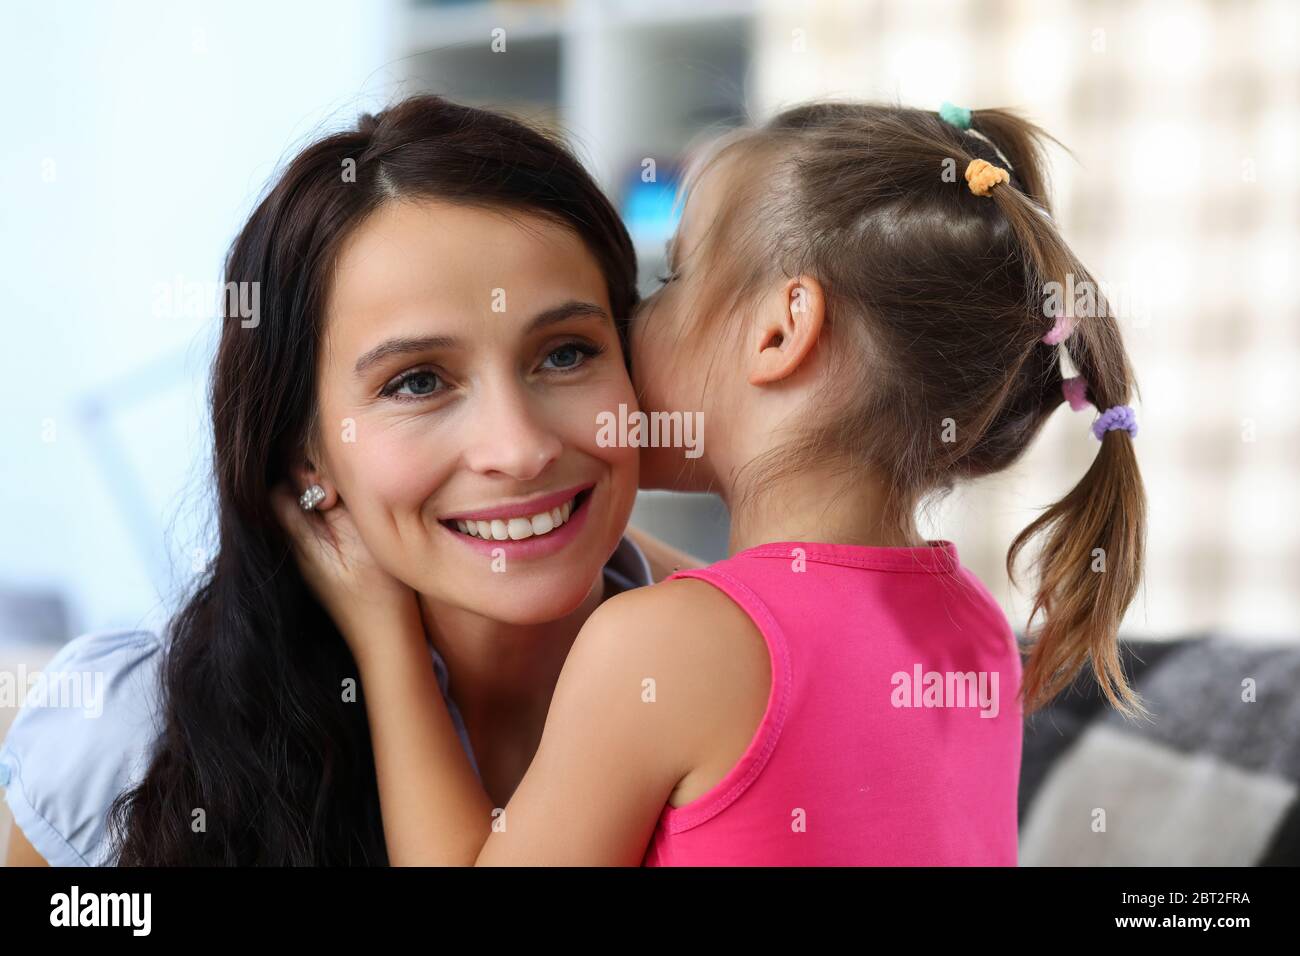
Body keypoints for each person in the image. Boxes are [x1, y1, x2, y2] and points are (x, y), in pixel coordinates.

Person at [281, 101, 1146, 865]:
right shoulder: (973, 630)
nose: (634, 320)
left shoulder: (658, 646)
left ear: (780, 332)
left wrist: (383, 636)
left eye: (672, 278)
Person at [0, 94, 696, 866]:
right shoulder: (134, 736)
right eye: (418, 382)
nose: (519, 449)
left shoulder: (747, 685)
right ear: (307, 457)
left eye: (566, 354)